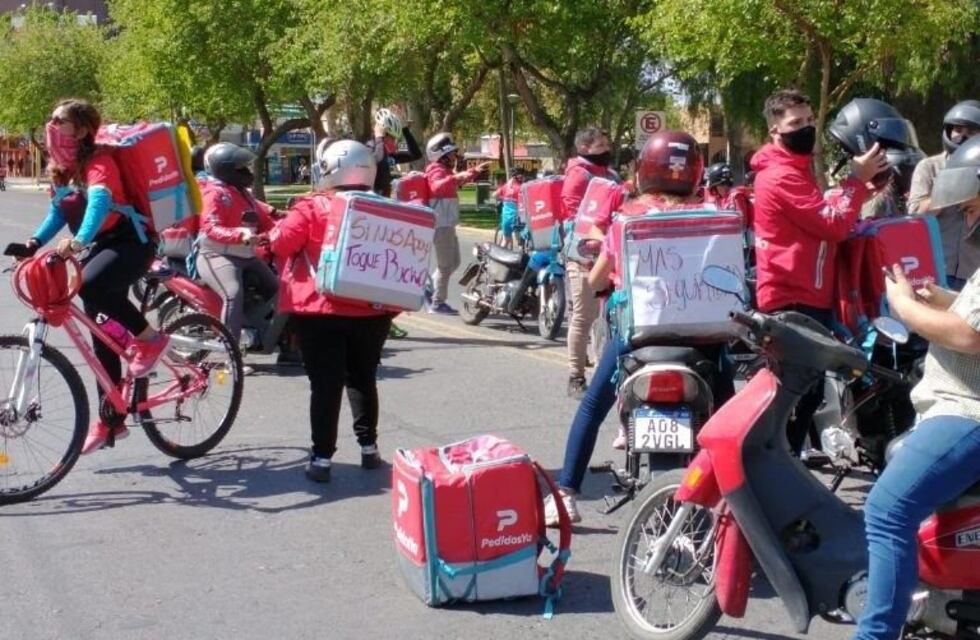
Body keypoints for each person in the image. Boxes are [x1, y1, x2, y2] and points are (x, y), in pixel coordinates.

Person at [544, 131, 735, 524]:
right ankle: (741, 501)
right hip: (706, 341)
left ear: (645, 168)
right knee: (729, 416)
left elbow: (598, 280)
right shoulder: (714, 217)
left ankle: (565, 492)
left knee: (594, 405)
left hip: (640, 338)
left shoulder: (628, 220)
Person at [855, 135, 980, 640]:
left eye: (971, 207)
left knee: (886, 510)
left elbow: (971, 336)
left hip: (967, 410)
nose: (968, 220)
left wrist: (905, 305)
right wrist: (941, 296)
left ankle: (874, 634)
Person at [25, 98, 169, 454]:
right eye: (52, 119)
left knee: (90, 284)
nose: (52, 126)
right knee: (101, 338)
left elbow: (100, 203)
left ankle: (150, 339)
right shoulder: (62, 169)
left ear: (83, 129)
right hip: (98, 245)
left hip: (130, 243)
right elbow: (59, 212)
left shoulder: (100, 161)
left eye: (61, 121)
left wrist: (78, 241)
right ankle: (112, 420)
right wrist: (33, 242)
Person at [750, 90, 887, 457]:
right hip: (793, 299)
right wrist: (856, 181)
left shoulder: (796, 170)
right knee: (794, 399)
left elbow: (820, 215)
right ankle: (778, 470)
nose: (806, 128)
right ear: (774, 130)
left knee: (806, 396)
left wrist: (858, 187)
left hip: (809, 297)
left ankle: (786, 467)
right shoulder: (781, 175)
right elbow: (833, 225)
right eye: (796, 123)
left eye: (810, 121)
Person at [269, 139, 394, 482]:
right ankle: (369, 448)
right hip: (372, 311)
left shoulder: (311, 208)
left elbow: (280, 243)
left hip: (319, 310)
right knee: (363, 377)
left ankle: (322, 458)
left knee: (325, 385)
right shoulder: (383, 207)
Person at [195, 143, 279, 354]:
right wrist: (240, 235)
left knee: (278, 289)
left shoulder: (241, 192)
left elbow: (262, 214)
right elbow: (210, 227)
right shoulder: (213, 194)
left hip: (247, 255)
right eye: (241, 168)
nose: (247, 172)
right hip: (216, 255)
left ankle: (261, 331)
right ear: (225, 170)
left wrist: (283, 220)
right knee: (233, 293)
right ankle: (230, 353)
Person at [561, 126, 621, 398]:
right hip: (584, 255)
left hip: (611, 254)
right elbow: (574, 215)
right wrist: (597, 234)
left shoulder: (610, 176)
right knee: (583, 316)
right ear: (585, 148)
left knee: (607, 316)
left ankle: (603, 373)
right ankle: (576, 375)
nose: (607, 150)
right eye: (601, 146)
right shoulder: (578, 175)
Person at [908, 99, 980, 290]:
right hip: (935, 269)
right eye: (958, 130)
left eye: (971, 131)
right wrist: (950, 189)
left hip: (973, 274)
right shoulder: (929, 167)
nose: (963, 137)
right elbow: (915, 214)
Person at [424, 132, 489, 314]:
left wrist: (473, 172)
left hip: (447, 223)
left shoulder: (444, 171)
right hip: (440, 224)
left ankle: (430, 289)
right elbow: (436, 187)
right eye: (451, 154)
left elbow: (453, 183)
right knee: (446, 265)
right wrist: (456, 177)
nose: (454, 157)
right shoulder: (436, 170)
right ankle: (437, 302)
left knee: (454, 262)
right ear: (441, 156)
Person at [369, 108, 422, 197]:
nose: (394, 142)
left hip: (385, 201)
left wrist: (405, 130)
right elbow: (379, 162)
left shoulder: (389, 155)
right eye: (392, 138)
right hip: (371, 201)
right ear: (383, 135)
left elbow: (416, 154)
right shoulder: (369, 149)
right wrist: (379, 138)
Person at [494, 167, 524, 249]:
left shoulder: (506, 186)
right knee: (520, 242)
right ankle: (522, 256)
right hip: (518, 218)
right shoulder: (521, 188)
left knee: (505, 241)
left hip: (506, 218)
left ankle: (500, 257)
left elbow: (494, 195)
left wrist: (503, 198)